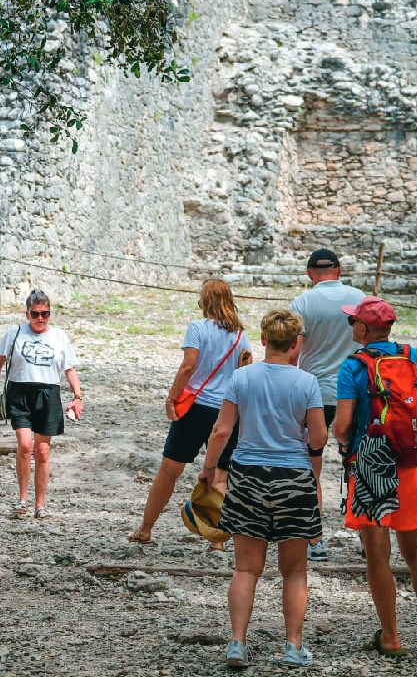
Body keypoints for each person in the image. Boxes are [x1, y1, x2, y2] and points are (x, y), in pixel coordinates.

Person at [198, 309, 328, 669]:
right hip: (293, 478)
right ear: (296, 343)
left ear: (264, 339)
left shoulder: (242, 377)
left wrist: (209, 469)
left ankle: (237, 643)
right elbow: (319, 436)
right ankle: (293, 646)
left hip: (248, 476)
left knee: (245, 569)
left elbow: (222, 430)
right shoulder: (307, 383)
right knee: (295, 571)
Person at [334, 296, 417, 657]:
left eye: (353, 323)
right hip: (411, 465)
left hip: (371, 466)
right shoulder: (416, 359)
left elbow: (343, 425)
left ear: (362, 328)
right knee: (416, 552)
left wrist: (346, 451)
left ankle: (390, 637)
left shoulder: (353, 367)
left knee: (377, 555)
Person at [129, 278, 250, 545]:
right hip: (227, 411)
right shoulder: (241, 335)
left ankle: (146, 528)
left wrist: (172, 398)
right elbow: (245, 371)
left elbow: (188, 366)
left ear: (204, 301)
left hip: (196, 408)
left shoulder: (198, 328)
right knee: (220, 474)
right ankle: (216, 537)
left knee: (169, 470)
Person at [288, 248, 364, 562]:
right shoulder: (359, 297)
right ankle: (365, 537)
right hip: (354, 391)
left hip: (314, 393)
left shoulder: (302, 303)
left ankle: (315, 540)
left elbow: (293, 354)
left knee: (311, 468)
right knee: (358, 466)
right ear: (340, 269)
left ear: (309, 274)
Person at [0, 289, 83, 519]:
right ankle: (22, 499)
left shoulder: (59, 336)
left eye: (45, 314)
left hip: (49, 393)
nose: (40, 319)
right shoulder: (14, 333)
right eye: (35, 314)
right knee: (25, 444)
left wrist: (78, 397)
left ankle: (40, 504)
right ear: (27, 314)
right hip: (20, 392)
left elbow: (70, 369)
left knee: (43, 450)